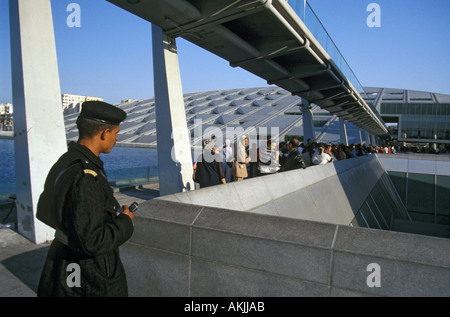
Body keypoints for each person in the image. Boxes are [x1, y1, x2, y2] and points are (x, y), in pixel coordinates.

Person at [37, 101, 134, 297]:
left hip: (62, 261)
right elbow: (93, 242)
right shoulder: (86, 176)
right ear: (104, 133)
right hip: (88, 275)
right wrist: (125, 221)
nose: (116, 138)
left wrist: (71, 229)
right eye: (116, 133)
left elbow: (44, 211)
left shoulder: (66, 161)